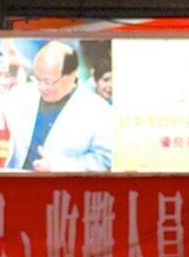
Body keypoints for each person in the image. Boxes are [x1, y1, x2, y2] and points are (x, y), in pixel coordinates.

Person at [10, 41, 117, 170]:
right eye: (37, 79)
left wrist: (58, 167)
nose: (41, 87)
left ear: (72, 75)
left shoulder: (99, 110)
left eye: (48, 81)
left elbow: (104, 160)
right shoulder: (20, 95)